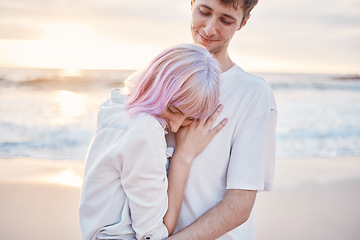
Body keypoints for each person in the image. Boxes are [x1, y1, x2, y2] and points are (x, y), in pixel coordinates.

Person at [79, 43, 227, 240]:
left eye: (190, 119)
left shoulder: (114, 106)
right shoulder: (146, 129)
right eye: (174, 110)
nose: (175, 127)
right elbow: (153, 235)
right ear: (157, 83)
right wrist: (184, 156)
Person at [167, 0, 277, 239]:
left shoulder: (253, 93)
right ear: (192, 4)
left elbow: (239, 205)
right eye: (204, 12)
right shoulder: (164, 77)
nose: (208, 29)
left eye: (226, 20)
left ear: (243, 23)